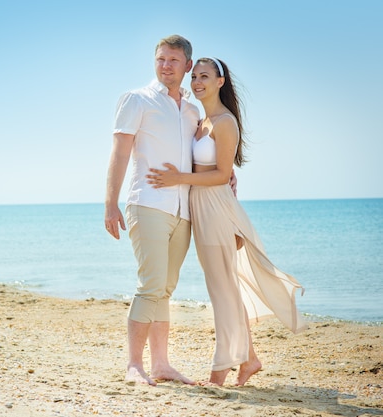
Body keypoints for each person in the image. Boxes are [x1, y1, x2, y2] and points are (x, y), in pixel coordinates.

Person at [146, 57, 308, 386]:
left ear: (220, 82)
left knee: (222, 291)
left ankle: (219, 373)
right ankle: (249, 359)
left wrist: (180, 177)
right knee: (224, 288)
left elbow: (221, 175)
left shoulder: (225, 122)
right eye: (194, 76)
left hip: (216, 210)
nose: (196, 81)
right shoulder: (200, 120)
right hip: (202, 209)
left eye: (204, 76)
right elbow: (220, 171)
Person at [104, 34, 201, 386]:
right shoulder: (137, 100)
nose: (166, 65)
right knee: (150, 286)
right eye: (161, 59)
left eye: (173, 60)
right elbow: (120, 153)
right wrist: (110, 203)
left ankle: (161, 365)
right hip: (146, 203)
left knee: (165, 289)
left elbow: (200, 155)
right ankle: (134, 365)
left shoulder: (192, 110)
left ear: (187, 65)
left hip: (183, 211)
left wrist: (228, 173)